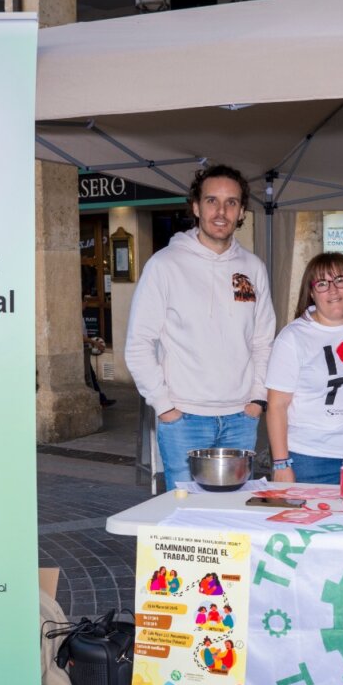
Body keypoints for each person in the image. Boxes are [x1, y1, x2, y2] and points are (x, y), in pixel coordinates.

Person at [124, 163, 275, 491]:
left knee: (235, 515)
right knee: (186, 521)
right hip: (184, 420)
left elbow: (263, 340)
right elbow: (138, 344)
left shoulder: (253, 268)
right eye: (212, 201)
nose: (221, 211)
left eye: (231, 202)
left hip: (241, 418)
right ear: (195, 206)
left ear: (241, 212)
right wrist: (164, 406)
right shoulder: (164, 265)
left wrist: (257, 400)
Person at [265, 253, 343, 485]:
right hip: (310, 458)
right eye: (322, 284)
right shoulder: (293, 337)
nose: (333, 290)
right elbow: (276, 405)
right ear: (311, 292)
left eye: (340, 280)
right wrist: (281, 463)